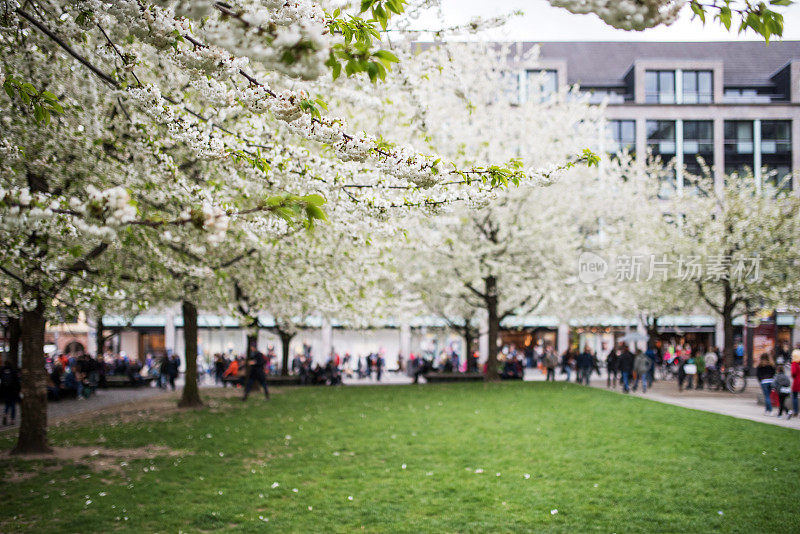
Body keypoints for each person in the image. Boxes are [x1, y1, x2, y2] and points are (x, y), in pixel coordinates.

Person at [0, 360, 21, 426]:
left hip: (5, 391)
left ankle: (5, 414)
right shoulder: (13, 371)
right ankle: (12, 419)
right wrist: (18, 390)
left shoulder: (2, 371)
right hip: (13, 391)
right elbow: (17, 382)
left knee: (7, 404)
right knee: (12, 405)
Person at [790, 345, 800, 419]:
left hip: (797, 382)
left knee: (795, 397)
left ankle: (796, 411)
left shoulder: (794, 364)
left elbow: (793, 373)